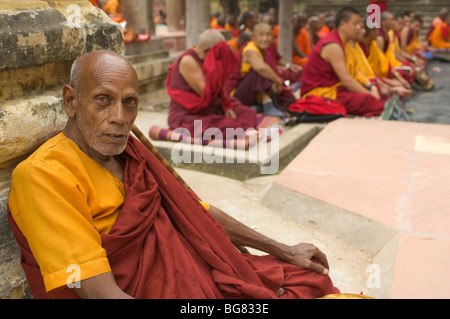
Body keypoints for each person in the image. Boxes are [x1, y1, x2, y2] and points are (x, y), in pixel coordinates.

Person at [7, 49, 339, 299]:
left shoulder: (132, 155)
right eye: (103, 100)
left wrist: (282, 248)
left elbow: (196, 213)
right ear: (71, 101)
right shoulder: (42, 176)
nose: (120, 117)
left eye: (130, 102)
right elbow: (98, 292)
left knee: (307, 278)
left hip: (193, 279)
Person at [166, 29, 257, 140]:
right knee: (228, 124)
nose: (220, 58)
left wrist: (225, 106)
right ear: (205, 51)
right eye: (218, 54)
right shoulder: (188, 60)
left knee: (247, 113)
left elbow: (219, 92)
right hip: (189, 116)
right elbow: (206, 93)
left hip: (211, 109)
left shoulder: (208, 59)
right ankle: (242, 131)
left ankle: (242, 130)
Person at [300, 6, 384, 117]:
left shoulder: (347, 44)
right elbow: (347, 80)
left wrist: (370, 86)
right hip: (320, 94)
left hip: (336, 89)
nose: (359, 28)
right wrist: (370, 94)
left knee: (373, 95)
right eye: (355, 24)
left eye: (360, 24)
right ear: (343, 24)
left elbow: (355, 72)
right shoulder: (333, 45)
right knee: (371, 102)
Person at [226, 23, 300, 117]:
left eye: (268, 35)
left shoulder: (266, 51)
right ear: (253, 37)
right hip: (238, 94)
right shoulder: (250, 50)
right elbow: (261, 68)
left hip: (253, 93)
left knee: (289, 101)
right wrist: (278, 81)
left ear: (273, 37)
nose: (265, 38)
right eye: (261, 35)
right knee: (260, 72)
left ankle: (256, 107)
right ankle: (267, 104)